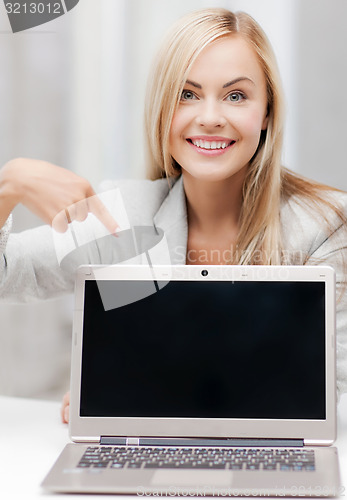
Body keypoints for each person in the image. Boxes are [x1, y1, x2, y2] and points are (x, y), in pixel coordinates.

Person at [0, 8, 346, 424]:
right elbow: (8, 274)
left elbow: (335, 393)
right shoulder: (122, 218)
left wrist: (138, 392)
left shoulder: (324, 227)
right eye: (187, 94)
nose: (211, 117)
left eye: (236, 96)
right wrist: (10, 184)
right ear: (162, 109)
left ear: (267, 111)